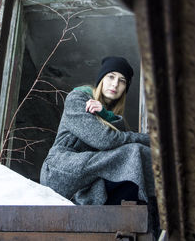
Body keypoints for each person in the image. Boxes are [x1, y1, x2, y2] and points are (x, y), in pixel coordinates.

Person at [40, 56, 155, 205]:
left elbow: (117, 141)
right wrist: (150, 140)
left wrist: (107, 115)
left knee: (136, 169)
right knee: (134, 152)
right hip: (60, 169)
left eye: (122, 81)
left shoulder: (112, 116)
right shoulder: (78, 99)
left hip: (90, 177)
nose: (115, 84)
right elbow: (105, 140)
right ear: (101, 79)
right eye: (111, 77)